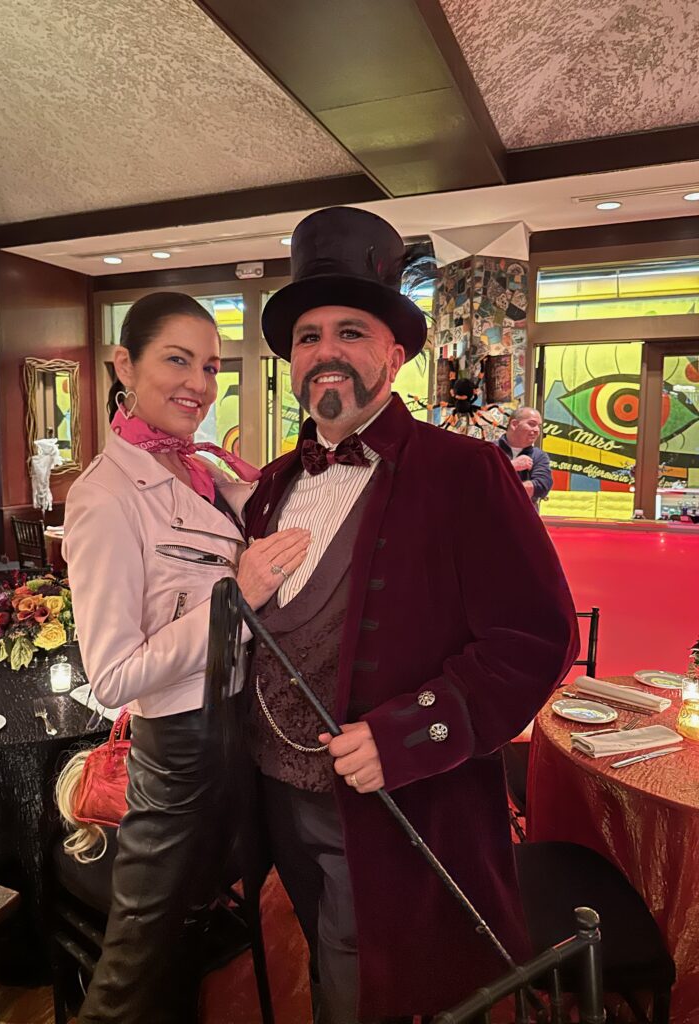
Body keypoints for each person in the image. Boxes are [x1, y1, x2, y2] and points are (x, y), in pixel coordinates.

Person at [244, 207, 579, 1023]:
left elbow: (537, 639)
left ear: (394, 355)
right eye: (307, 337)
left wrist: (407, 734)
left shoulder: (466, 474)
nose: (325, 351)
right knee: (324, 958)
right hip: (275, 795)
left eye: (349, 332)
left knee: (382, 988)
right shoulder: (269, 485)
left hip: (397, 804)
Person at [62, 291, 309, 1024]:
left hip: (245, 731)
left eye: (210, 366)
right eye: (177, 360)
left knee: (201, 932)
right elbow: (112, 676)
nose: (200, 385)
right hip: (181, 754)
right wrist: (237, 598)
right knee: (136, 962)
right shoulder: (106, 496)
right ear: (123, 365)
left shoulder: (203, 474)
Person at [497, 406, 553, 507]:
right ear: (514, 424)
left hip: (524, 520)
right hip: (491, 518)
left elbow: (542, 486)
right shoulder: (489, 450)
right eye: (531, 424)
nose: (536, 430)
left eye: (539, 426)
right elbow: (477, 481)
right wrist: (511, 466)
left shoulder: (539, 456)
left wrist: (497, 489)